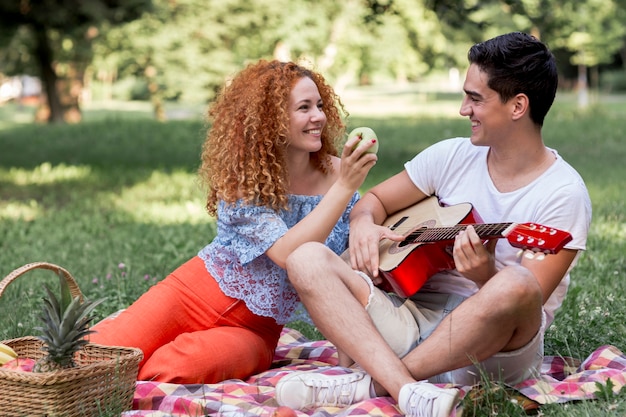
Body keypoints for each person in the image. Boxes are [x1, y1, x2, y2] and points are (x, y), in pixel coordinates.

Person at [275, 32, 592, 417]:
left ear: (517, 106)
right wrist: (362, 226)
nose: (463, 109)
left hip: (491, 353)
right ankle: (408, 388)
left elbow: (527, 303)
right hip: (408, 318)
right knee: (306, 257)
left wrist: (485, 274)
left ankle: (376, 382)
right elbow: (374, 201)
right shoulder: (451, 155)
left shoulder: (563, 192)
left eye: (475, 98)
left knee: (517, 281)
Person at [89, 60, 377, 383]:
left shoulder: (339, 175)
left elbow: (346, 266)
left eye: (321, 106)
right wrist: (344, 189)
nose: (319, 117)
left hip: (255, 333)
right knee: (100, 356)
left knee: (167, 370)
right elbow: (286, 254)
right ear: (272, 119)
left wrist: (349, 361)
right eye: (304, 108)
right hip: (191, 295)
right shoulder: (249, 180)